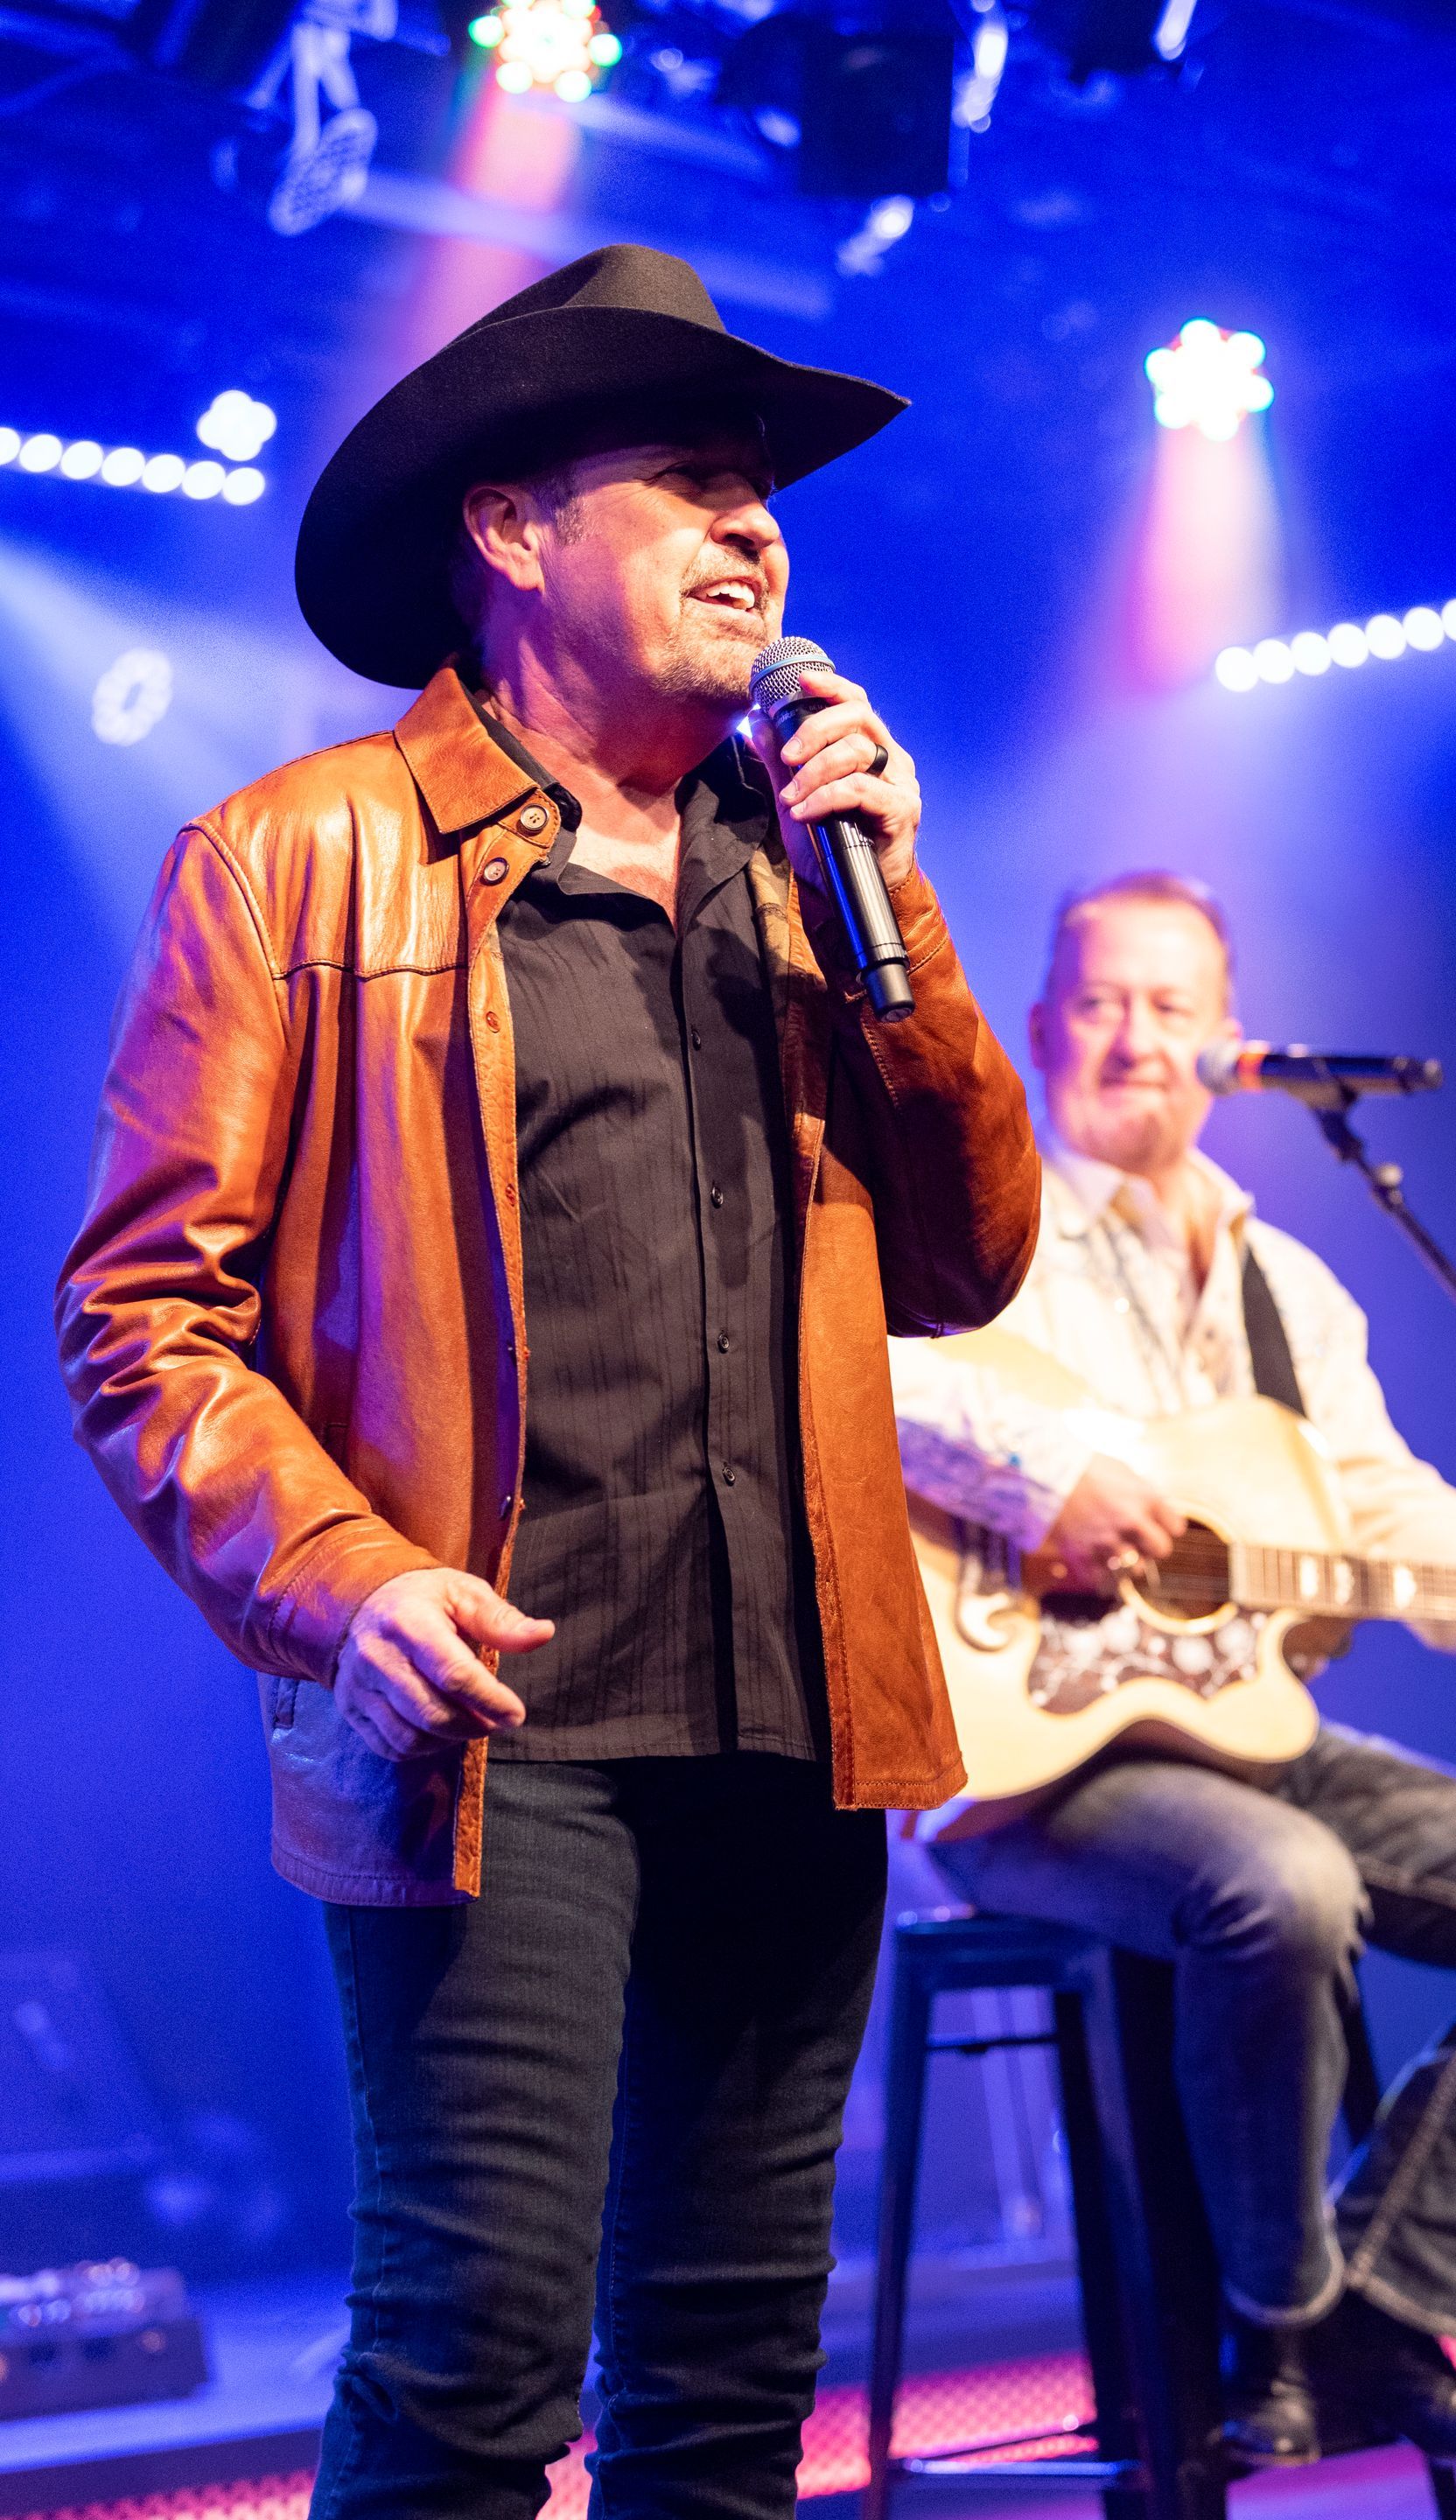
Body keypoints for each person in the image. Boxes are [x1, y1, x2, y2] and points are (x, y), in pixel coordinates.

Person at [56, 245, 1040, 2520]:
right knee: (472, 2370)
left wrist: (891, 906)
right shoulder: (304, 857)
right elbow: (141, 1319)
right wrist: (340, 1584)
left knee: (720, 2395)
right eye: (694, 480)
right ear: (508, 530)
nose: (758, 531)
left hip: (795, 1730)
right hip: (491, 1735)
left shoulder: (812, 878)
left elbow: (971, 1258)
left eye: (766, 497)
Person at [890, 868, 1456, 2472]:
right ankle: (1282, 2321)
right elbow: (852, 1366)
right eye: (1101, 1001)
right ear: (1041, 1027)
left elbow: (1391, 1517)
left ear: (1225, 1038)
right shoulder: (984, 1225)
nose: (1132, 1037)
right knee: (1289, 1885)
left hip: (1243, 1730)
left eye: (1171, 1007)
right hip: (1029, 1757)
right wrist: (1042, 1479)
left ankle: (1383, 2314)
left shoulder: (1285, 1285)